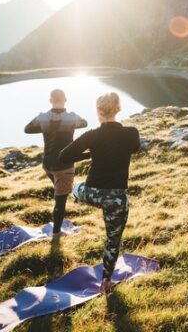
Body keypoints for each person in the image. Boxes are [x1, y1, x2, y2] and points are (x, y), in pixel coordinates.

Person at [59, 92, 140, 293]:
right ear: (118, 109)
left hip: (92, 193)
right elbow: (135, 149)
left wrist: (90, 153)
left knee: (75, 187)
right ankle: (106, 282)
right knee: (113, 241)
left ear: (98, 112)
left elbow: (64, 156)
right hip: (117, 199)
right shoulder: (131, 133)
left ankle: (73, 191)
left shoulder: (92, 135)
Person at [24, 89, 87, 237]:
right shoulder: (72, 117)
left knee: (61, 192)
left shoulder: (42, 117)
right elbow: (84, 123)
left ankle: (58, 220)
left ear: (50, 100)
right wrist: (69, 127)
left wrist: (46, 128)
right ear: (65, 99)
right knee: (61, 200)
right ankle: (57, 232)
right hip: (64, 165)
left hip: (47, 164)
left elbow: (27, 129)